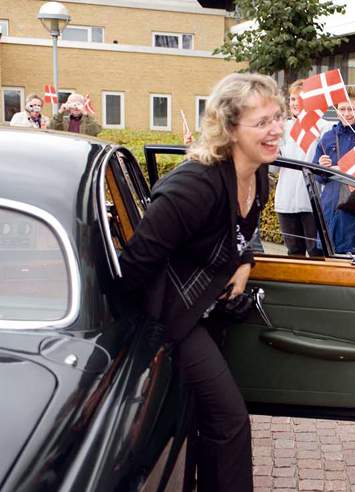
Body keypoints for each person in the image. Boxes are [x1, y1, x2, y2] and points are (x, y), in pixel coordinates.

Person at [119, 73, 284, 491]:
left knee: (205, 417)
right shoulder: (194, 185)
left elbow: (240, 235)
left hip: (206, 312)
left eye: (278, 117)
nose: (276, 129)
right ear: (229, 129)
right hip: (171, 319)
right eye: (263, 122)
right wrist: (142, 332)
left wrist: (245, 261)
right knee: (230, 419)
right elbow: (136, 263)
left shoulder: (256, 173)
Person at [277, 79, 332, 256]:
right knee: (294, 252)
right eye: (292, 99)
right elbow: (273, 167)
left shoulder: (324, 127)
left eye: (300, 99)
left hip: (312, 200)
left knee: (316, 252)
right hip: (286, 200)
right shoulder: (282, 128)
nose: (295, 103)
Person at [313, 90, 355, 254]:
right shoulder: (328, 137)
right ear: (337, 110)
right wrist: (321, 166)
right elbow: (317, 175)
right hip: (330, 205)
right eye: (342, 109)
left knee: (354, 255)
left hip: (354, 205)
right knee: (328, 254)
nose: (346, 113)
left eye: (351, 109)